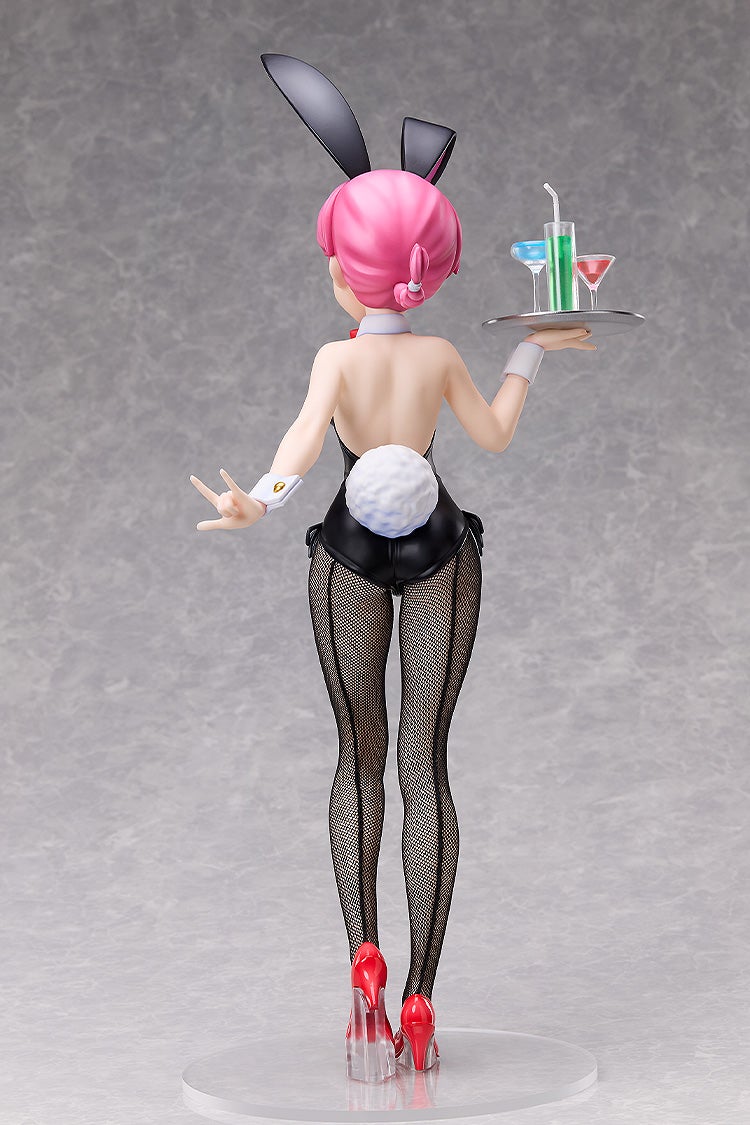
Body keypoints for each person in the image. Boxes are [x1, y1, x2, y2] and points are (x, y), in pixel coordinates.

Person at [190, 54, 595, 1083]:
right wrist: (531, 350)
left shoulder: (338, 360)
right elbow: (493, 437)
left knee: (356, 758)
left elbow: (296, 451)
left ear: (343, 268)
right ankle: (420, 997)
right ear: (436, 271)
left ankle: (362, 961)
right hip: (443, 552)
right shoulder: (441, 355)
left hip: (349, 557)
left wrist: (254, 505)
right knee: (426, 763)